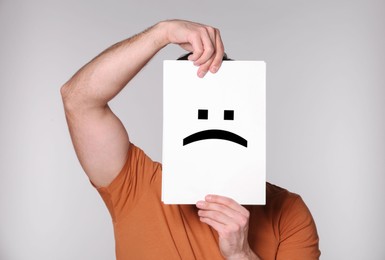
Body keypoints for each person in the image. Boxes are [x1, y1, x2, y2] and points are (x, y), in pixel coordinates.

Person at [61, 19, 320, 260]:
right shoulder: (137, 184)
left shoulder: (288, 212)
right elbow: (79, 99)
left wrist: (241, 255)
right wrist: (162, 32)